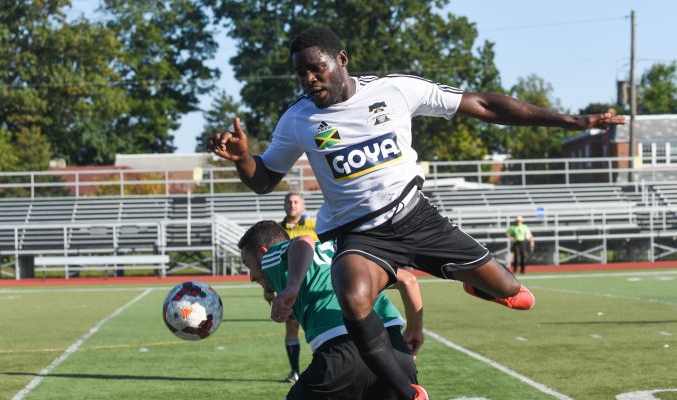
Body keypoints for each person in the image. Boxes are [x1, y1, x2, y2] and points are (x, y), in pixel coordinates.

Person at [208, 27, 625, 400]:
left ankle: (479, 284)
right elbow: (263, 180)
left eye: (316, 69)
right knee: (352, 295)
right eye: (301, 74)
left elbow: (482, 104)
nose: (309, 80)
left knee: (513, 290)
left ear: (342, 60)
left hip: (418, 219)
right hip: (362, 236)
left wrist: (569, 120)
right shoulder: (299, 118)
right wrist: (244, 157)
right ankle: (407, 392)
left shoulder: (395, 90)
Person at [238, 220, 425, 399]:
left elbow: (304, 241)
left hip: (343, 353)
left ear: (263, 253)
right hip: (396, 353)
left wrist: (292, 287)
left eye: (248, 265)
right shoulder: (345, 252)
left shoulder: (272, 255)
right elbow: (408, 280)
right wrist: (415, 331)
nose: (251, 277)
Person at [274, 192, 319, 383]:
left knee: (317, 327)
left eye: (295, 202)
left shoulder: (314, 226)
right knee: (291, 327)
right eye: (288, 202)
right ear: (284, 205)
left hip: (313, 286)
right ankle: (295, 372)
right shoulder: (276, 230)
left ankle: (321, 369)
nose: (292, 205)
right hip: (288, 288)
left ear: (303, 205)